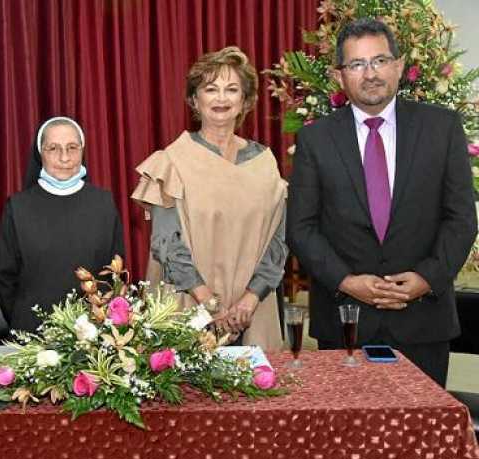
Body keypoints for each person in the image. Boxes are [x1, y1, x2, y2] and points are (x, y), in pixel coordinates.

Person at [287, 18, 476, 386]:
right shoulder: (317, 140)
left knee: (422, 440)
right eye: (357, 64)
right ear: (339, 76)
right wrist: (346, 281)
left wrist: (427, 277)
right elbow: (301, 228)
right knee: (345, 442)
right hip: (345, 324)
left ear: (399, 66)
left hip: (423, 321)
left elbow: (461, 219)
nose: (369, 73)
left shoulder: (443, 128)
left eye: (379, 61)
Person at [131, 47, 288, 351]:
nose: (221, 98)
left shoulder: (265, 161)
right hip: (187, 307)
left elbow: (277, 242)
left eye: (232, 90)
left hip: (252, 312)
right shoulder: (172, 161)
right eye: (210, 89)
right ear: (194, 99)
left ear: (245, 100)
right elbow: (167, 244)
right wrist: (211, 306)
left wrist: (250, 299)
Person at [0, 116, 125, 333]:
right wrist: (24, 317)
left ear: (82, 151)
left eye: (72, 147)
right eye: (53, 148)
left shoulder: (103, 203)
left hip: (93, 334)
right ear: (40, 153)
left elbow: (115, 273)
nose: (64, 157)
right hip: (33, 333)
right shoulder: (18, 207)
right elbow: (5, 275)